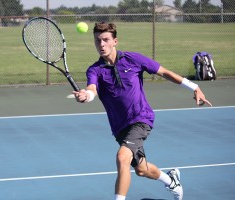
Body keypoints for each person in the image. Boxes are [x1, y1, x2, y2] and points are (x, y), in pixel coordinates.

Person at [73, 22, 212, 200]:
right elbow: (92, 89)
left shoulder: (133, 59)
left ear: (115, 41)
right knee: (141, 169)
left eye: (106, 40)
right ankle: (171, 181)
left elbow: (165, 72)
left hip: (140, 118)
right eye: (97, 40)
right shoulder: (95, 70)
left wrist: (194, 86)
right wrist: (86, 95)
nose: (101, 45)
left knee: (122, 157)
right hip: (119, 127)